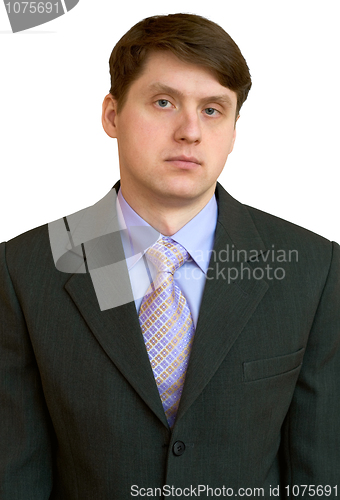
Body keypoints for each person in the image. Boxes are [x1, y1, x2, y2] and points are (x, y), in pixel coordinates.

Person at [0, 13, 339, 499]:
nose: (190, 131)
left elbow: (321, 474)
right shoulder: (24, 270)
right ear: (112, 115)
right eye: (164, 102)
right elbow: (14, 478)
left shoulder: (314, 269)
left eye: (213, 110)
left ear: (234, 129)